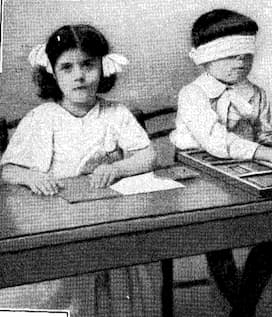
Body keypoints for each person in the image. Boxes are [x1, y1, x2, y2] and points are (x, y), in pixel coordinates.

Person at [0, 24, 160, 316]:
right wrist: (32, 176)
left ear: (103, 67)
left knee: (122, 286)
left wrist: (118, 167)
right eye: (67, 67)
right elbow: (7, 170)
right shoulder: (41, 118)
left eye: (88, 65)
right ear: (53, 74)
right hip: (59, 229)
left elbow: (148, 156)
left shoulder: (116, 114)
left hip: (109, 225)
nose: (79, 75)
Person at [170, 9, 272, 317]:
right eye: (230, 56)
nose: (240, 63)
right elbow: (216, 142)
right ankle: (243, 310)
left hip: (243, 170)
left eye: (246, 55)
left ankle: (242, 308)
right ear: (205, 57)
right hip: (197, 172)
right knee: (218, 232)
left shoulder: (254, 93)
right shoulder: (192, 95)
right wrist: (267, 153)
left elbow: (263, 134)